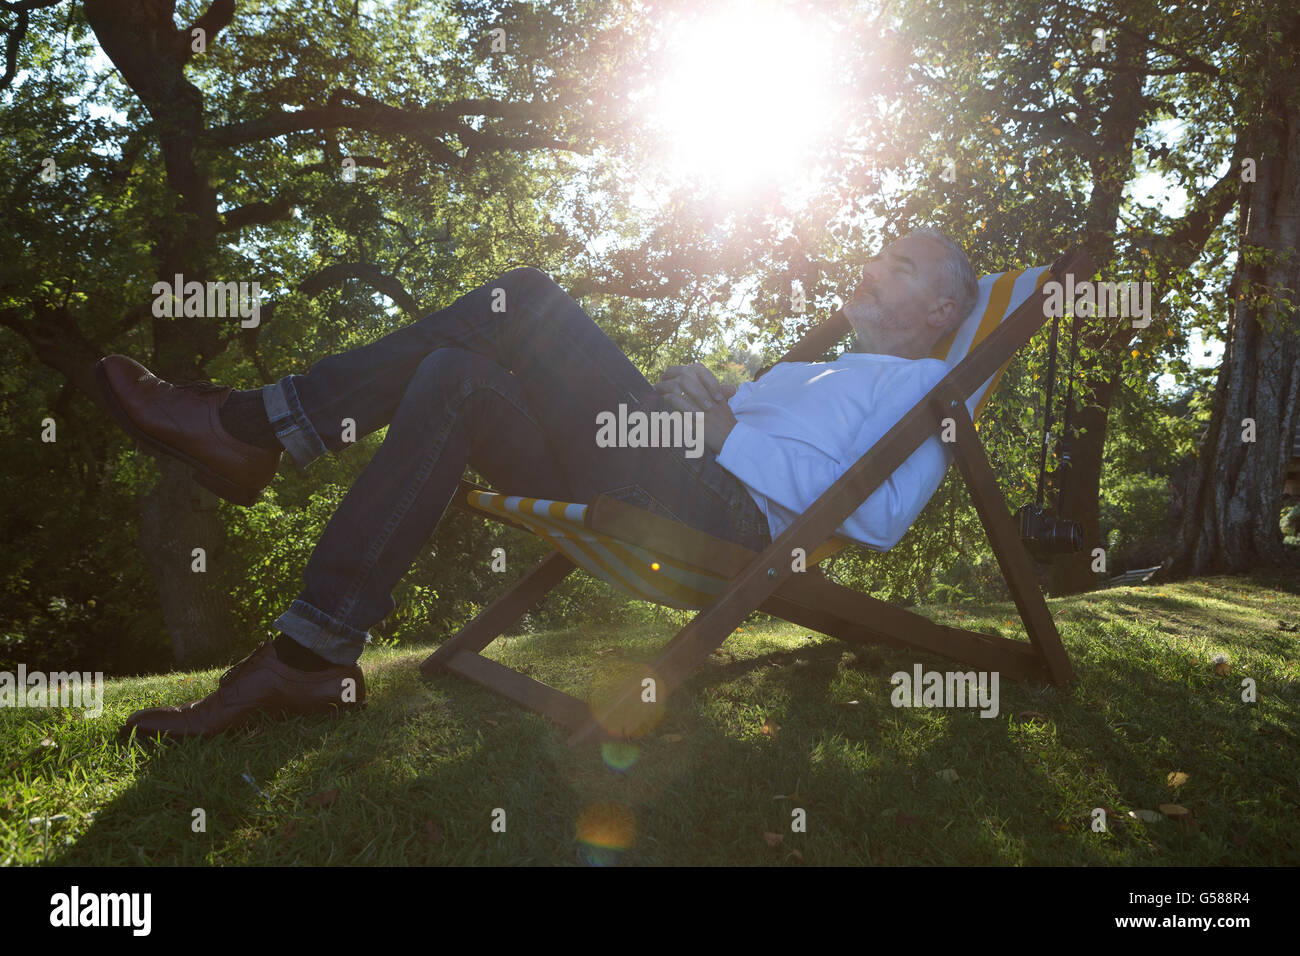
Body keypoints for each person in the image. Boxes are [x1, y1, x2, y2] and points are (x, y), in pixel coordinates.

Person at [100, 227, 978, 739]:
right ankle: (310, 655)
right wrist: (704, 396)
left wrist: (717, 436)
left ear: (944, 315)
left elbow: (885, 513)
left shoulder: (927, 386)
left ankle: (253, 429)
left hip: (719, 516)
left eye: (902, 267)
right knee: (453, 374)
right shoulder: (816, 370)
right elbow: (733, 430)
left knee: (526, 299)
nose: (872, 266)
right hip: (665, 470)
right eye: (880, 255)